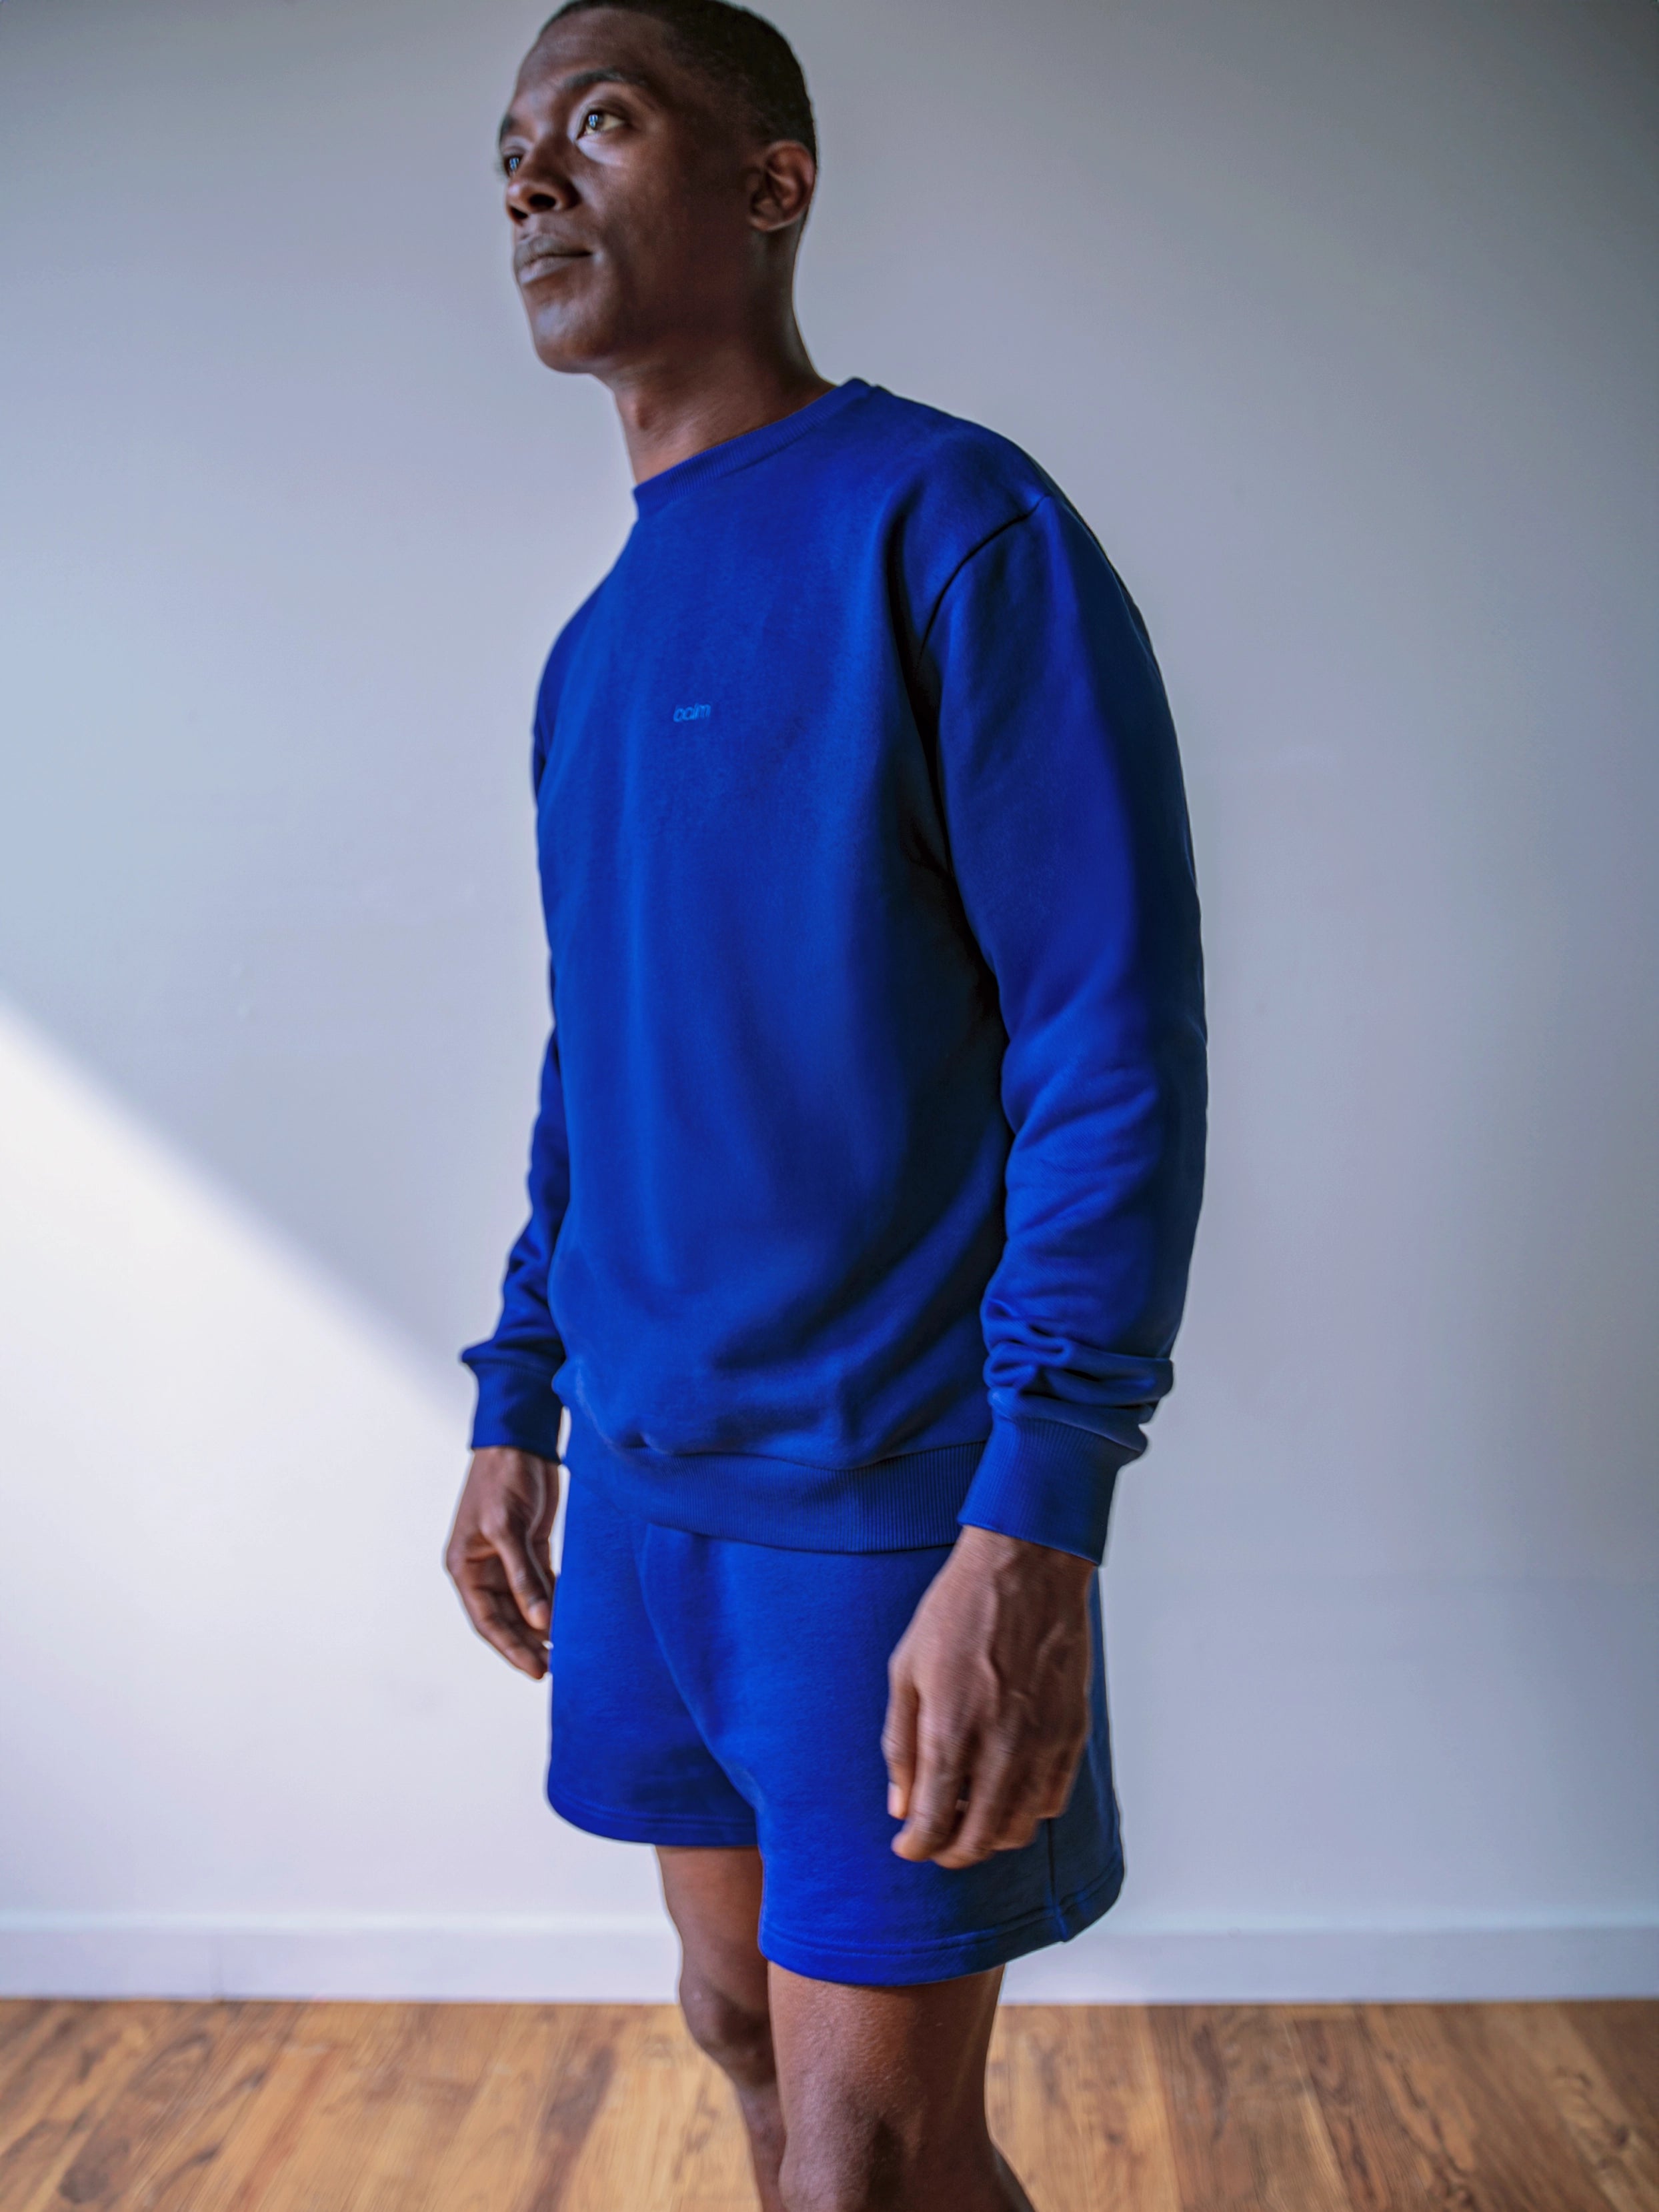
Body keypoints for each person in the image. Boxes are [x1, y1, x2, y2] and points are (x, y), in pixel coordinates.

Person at [443, 2, 1206, 2203]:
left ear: (771, 183)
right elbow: (606, 1055)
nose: (527, 180)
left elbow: (1108, 1032)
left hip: (883, 1507)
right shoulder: (593, 651)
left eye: (598, 120)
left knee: (870, 2158)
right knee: (736, 2031)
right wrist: (521, 1394)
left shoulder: (950, 524)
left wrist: (1037, 1510)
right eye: (510, 145)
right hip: (654, 1501)